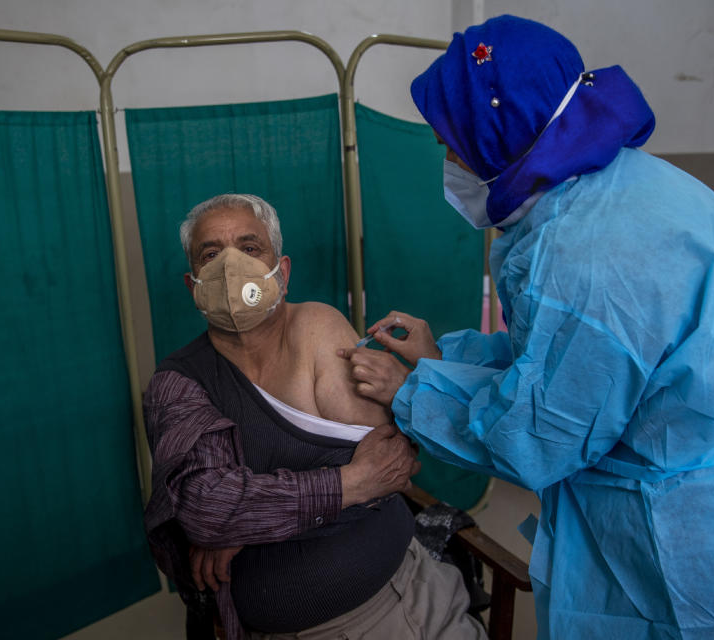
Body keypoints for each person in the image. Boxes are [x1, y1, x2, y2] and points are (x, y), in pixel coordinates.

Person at [340, 15, 714, 640]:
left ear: (498, 135)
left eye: (450, 142)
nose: (448, 159)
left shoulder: (583, 259)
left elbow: (537, 433)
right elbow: (574, 360)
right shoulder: (617, 185)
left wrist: (413, 395)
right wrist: (442, 358)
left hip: (711, 536)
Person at [142, 193, 486, 640]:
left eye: (249, 248)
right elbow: (207, 508)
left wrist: (251, 524)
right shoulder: (177, 381)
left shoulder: (315, 328)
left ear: (281, 273)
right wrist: (349, 482)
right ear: (193, 286)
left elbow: (390, 469)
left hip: (396, 609)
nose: (231, 266)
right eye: (211, 254)